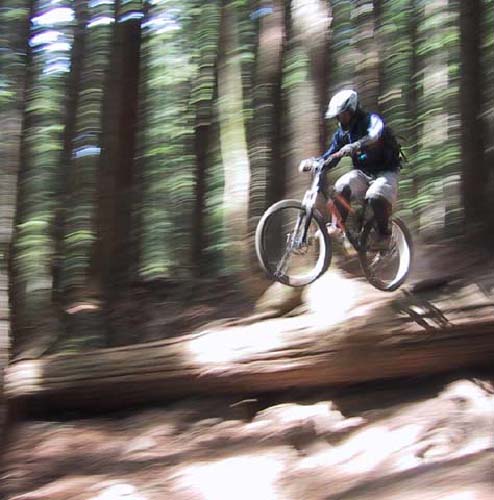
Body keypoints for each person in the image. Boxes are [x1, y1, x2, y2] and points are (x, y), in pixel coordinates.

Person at [299, 89, 401, 250]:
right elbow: (331, 156)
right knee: (341, 186)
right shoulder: (342, 134)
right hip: (362, 173)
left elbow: (375, 136)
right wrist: (314, 162)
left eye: (343, 115)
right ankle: (338, 228)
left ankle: (385, 236)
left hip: (386, 171)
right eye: (338, 116)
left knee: (375, 195)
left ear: (353, 110)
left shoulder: (371, 120)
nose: (341, 119)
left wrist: (355, 145)